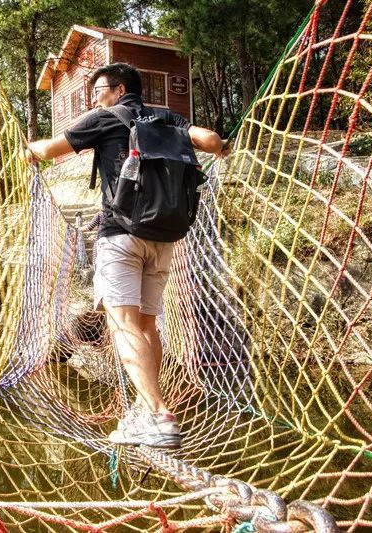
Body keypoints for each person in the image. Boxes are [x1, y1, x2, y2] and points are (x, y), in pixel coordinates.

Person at [25, 63, 230, 448]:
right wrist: (217, 145)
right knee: (147, 325)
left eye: (99, 89)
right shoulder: (168, 117)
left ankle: (157, 414)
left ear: (118, 90)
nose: (94, 97)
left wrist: (24, 152)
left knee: (122, 324)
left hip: (120, 235)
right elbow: (211, 140)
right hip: (164, 239)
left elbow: (48, 150)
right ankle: (143, 408)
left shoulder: (105, 118)